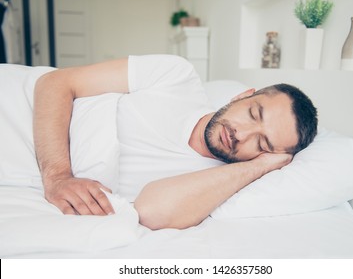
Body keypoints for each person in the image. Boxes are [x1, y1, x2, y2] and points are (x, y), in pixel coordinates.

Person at [33, 54, 317, 230]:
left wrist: (261, 166)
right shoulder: (176, 76)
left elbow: (150, 212)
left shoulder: (213, 183)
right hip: (22, 109)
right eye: (253, 114)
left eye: (262, 144)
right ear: (242, 96)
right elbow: (55, 83)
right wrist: (58, 176)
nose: (242, 135)